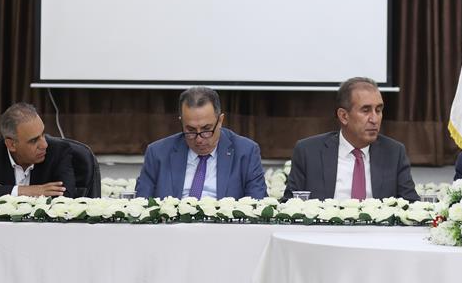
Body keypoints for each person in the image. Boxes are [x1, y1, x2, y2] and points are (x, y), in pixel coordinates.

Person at [284, 77, 418, 201]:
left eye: (378, 110)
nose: (374, 119)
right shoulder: (308, 152)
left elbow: (411, 205)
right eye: (366, 110)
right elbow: (289, 205)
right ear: (343, 116)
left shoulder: (394, 153)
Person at [135, 87, 266, 199]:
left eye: (206, 129)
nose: (199, 139)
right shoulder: (157, 153)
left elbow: (257, 206)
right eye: (190, 130)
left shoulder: (246, 152)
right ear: (181, 122)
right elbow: (141, 204)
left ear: (220, 121)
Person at [0, 103, 76, 198]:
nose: (44, 145)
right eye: (34, 140)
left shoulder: (58, 151)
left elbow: (67, 196)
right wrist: (24, 191)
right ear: (11, 145)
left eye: (43, 134)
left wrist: (1, 191)